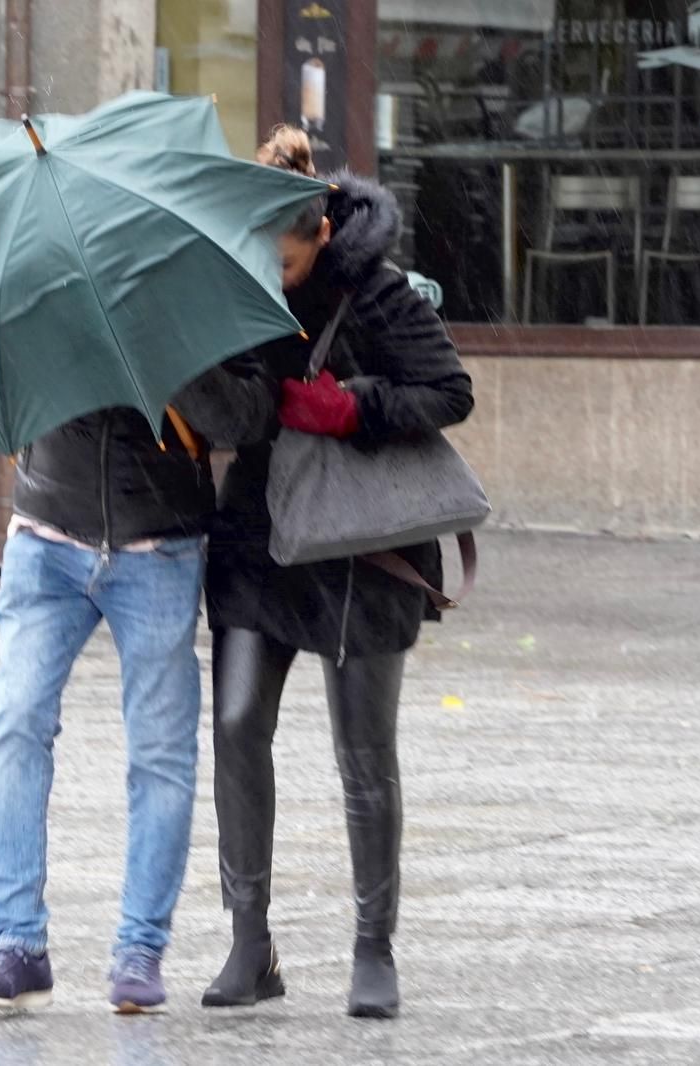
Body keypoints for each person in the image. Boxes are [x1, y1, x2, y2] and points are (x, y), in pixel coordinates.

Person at [199, 126, 475, 1019]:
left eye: (284, 261)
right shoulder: (237, 291)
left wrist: (352, 407)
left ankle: (373, 947)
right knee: (238, 724)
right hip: (260, 537)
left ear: (319, 232)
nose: (272, 274)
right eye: (260, 258)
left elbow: (449, 391)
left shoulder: (379, 292)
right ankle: (250, 943)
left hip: (364, 553)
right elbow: (240, 419)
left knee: (363, 750)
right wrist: (208, 377)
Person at [0, 321, 271, 1013]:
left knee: (161, 753)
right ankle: (17, 945)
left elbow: (245, 416)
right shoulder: (43, 277)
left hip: (160, 546)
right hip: (46, 536)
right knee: (15, 721)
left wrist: (162, 346)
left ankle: (140, 948)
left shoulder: (194, 279)